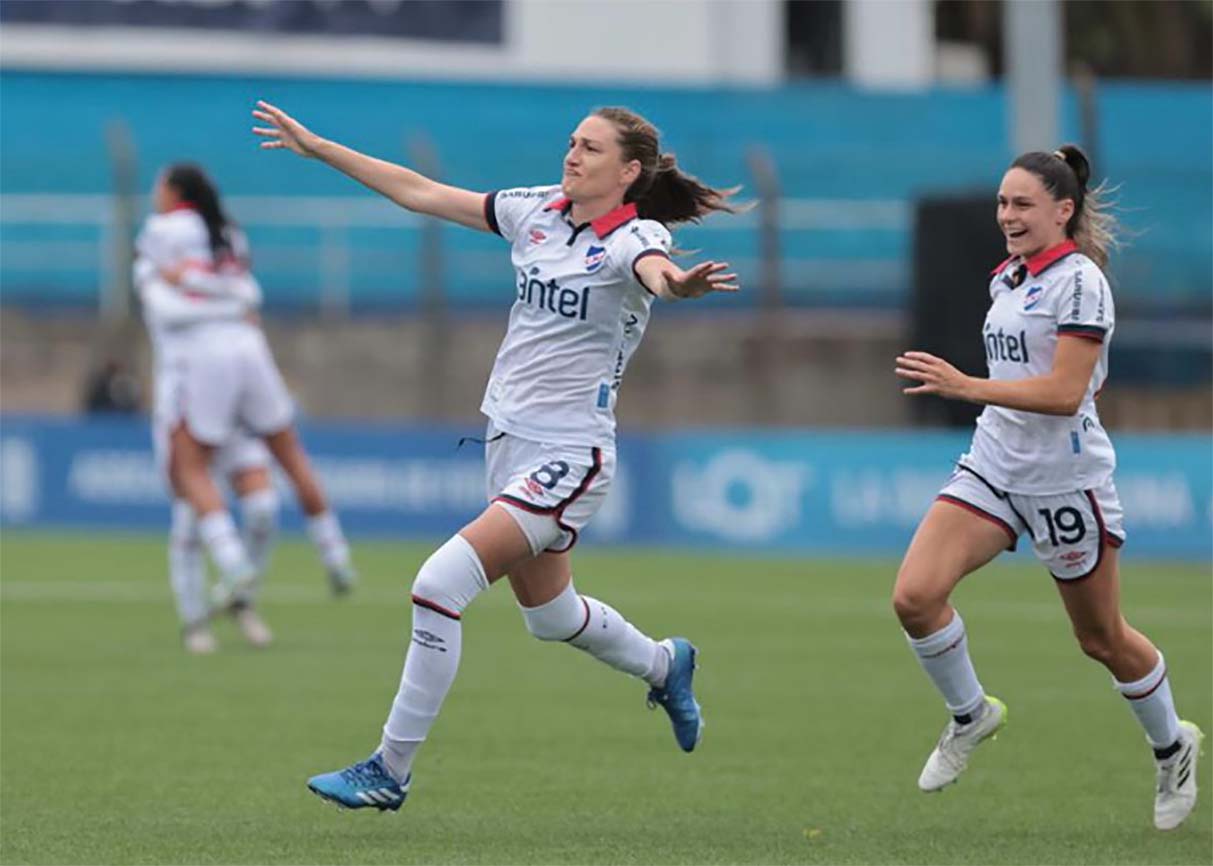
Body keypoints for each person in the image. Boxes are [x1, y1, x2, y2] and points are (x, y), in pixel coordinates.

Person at [253, 100, 741, 810]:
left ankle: (389, 769)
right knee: (549, 615)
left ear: (629, 171)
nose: (572, 155)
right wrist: (319, 146)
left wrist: (682, 287)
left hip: (572, 455)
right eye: (572, 142)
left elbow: (658, 271)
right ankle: (665, 664)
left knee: (436, 585)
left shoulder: (635, 236)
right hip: (507, 440)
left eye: (591, 149)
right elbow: (419, 191)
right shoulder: (534, 210)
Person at [892, 144, 1202, 831]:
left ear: (1062, 210)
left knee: (1101, 640)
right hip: (994, 465)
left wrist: (966, 385)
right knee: (914, 596)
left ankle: (1171, 744)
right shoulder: (1006, 277)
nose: (1007, 215)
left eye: (1022, 203)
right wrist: (991, 400)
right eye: (1002, 203)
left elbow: (1066, 392)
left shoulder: (1081, 282)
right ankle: (971, 715)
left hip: (1064, 482)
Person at [135, 164, 358, 651]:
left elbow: (225, 296)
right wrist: (229, 304)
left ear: (174, 194)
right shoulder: (201, 255)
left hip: (219, 374)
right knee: (192, 506)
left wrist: (202, 290)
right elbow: (206, 303)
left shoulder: (170, 237)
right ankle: (197, 618)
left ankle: (242, 590)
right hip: (188, 381)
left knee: (257, 506)